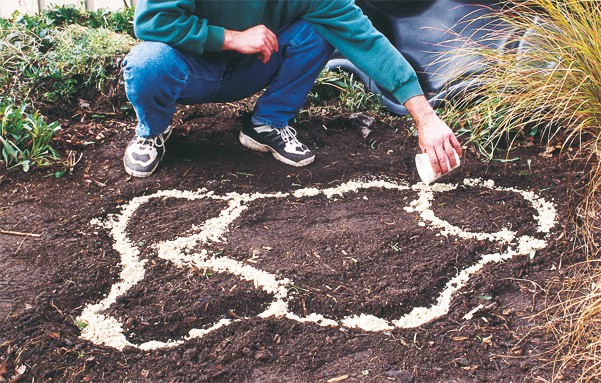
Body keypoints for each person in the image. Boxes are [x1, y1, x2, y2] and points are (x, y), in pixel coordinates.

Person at [122, 0, 462, 178]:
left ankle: (266, 123)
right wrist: (231, 38)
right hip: (189, 69)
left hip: (251, 68)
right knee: (147, 61)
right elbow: (153, 22)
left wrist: (426, 117)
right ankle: (152, 130)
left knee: (319, 29)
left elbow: (366, 41)